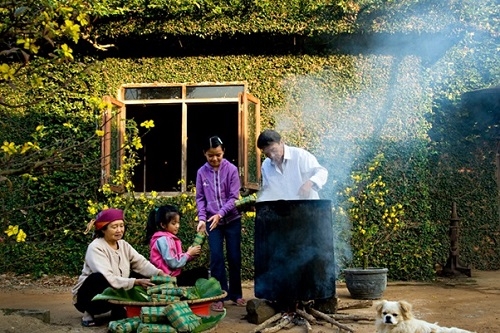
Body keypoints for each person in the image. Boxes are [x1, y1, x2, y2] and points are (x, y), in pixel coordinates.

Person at [72, 208, 167, 327]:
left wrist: (159, 273)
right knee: (98, 278)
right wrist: (135, 282)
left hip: (115, 290)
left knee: (140, 275)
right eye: (114, 227)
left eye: (121, 226)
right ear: (103, 229)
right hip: (89, 295)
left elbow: (141, 263)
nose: (119, 230)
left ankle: (119, 308)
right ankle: (89, 312)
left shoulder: (123, 245)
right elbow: (108, 277)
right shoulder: (95, 247)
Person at [195, 135, 246, 312]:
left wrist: (220, 213)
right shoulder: (201, 172)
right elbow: (200, 198)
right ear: (204, 154)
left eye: (218, 154)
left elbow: (234, 197)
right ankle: (220, 295)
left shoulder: (231, 169)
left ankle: (236, 294)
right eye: (210, 155)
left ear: (223, 151)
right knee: (216, 257)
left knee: (234, 257)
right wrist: (202, 218)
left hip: (232, 220)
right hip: (211, 222)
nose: (215, 159)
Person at [256, 129, 328, 201]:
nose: (272, 155)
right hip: (284, 210)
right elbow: (268, 190)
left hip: (308, 207)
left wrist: (309, 183)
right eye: (267, 154)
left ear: (281, 142)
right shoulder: (266, 165)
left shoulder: (300, 155)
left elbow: (322, 172)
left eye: (274, 150)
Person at [145, 204, 207, 286]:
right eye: (173, 223)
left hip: (173, 276)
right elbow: (173, 263)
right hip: (168, 280)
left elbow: (176, 259)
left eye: (178, 222)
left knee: (201, 271)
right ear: (163, 225)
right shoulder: (163, 240)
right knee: (201, 272)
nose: (177, 226)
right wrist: (188, 254)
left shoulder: (167, 238)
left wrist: (190, 254)